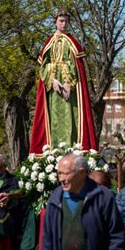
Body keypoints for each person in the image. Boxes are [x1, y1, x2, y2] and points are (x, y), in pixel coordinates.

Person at [30, 9, 97, 153]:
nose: (64, 24)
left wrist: (69, 83)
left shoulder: (72, 42)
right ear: (55, 22)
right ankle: (53, 150)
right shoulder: (49, 42)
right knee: (53, 118)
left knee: (72, 116)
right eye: (61, 21)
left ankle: (73, 148)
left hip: (70, 89)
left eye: (66, 21)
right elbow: (43, 64)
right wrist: (52, 80)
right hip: (53, 88)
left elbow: (77, 66)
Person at [42, 154, 125, 250]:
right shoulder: (55, 200)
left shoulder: (102, 197)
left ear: (81, 173)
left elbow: (116, 236)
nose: (61, 179)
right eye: (59, 174)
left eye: (66, 174)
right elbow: (47, 240)